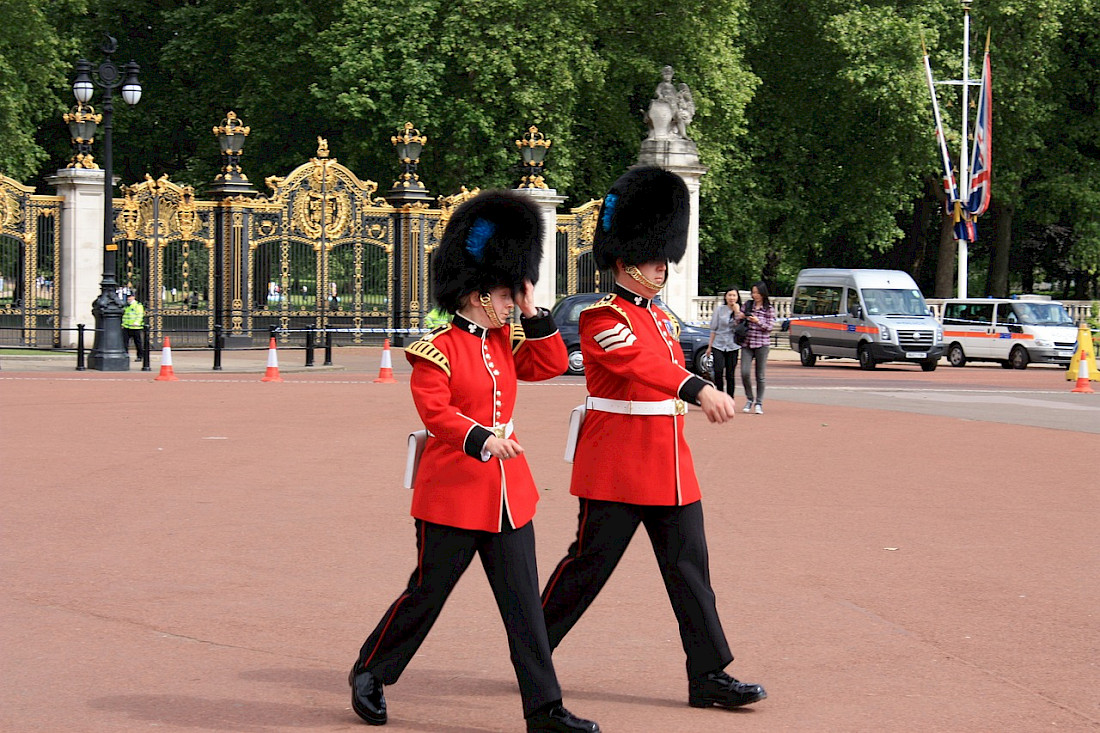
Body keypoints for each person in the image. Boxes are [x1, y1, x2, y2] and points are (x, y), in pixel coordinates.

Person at [348, 190, 599, 733]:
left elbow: (551, 365)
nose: (512, 303)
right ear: (481, 293)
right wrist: (483, 439)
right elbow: (437, 414)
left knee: (524, 610)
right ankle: (371, 670)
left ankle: (544, 710)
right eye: (508, 295)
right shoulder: (433, 348)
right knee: (428, 594)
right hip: (454, 492)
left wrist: (533, 312)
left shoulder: (505, 339)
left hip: (509, 497)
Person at [540, 166, 767, 712]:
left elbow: (659, 359)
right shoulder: (600, 318)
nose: (662, 267)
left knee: (691, 569)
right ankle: (532, 647)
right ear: (624, 262)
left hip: (668, 464)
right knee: (586, 570)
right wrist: (697, 387)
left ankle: (709, 674)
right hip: (617, 466)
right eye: (653, 258)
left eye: (665, 258)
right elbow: (636, 364)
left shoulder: (663, 320)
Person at [734, 281, 776, 415]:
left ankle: (759, 402)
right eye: (753, 292)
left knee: (760, 375)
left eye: (757, 292)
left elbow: (769, 327)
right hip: (747, 342)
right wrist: (740, 316)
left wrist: (758, 321)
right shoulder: (748, 305)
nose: (755, 295)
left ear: (763, 293)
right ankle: (749, 398)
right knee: (744, 372)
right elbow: (737, 321)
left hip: (762, 344)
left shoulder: (769, 308)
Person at [706, 287, 742, 401]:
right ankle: (719, 395)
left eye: (734, 295)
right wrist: (709, 346)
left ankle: (730, 398)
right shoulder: (719, 309)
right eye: (729, 295)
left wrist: (737, 312)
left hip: (733, 345)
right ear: (725, 297)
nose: (731, 298)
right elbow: (713, 328)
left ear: (737, 297)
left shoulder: (740, 310)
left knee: (730, 374)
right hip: (719, 344)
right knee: (718, 371)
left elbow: (741, 327)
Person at [122, 292, 145, 361]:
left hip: (135, 327)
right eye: (128, 297)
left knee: (138, 343)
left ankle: (140, 356)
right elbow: (124, 316)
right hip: (126, 327)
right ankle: (125, 355)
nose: (129, 298)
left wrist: (137, 322)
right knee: (125, 342)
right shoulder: (126, 306)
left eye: (130, 297)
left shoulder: (137, 305)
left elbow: (140, 315)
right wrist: (123, 324)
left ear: (133, 297)